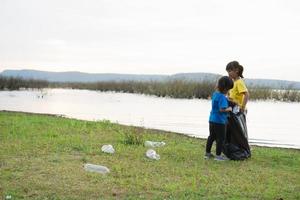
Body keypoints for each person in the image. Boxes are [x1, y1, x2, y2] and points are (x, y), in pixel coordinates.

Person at [205, 76, 233, 161]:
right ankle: (218, 156)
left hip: (212, 119)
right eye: (229, 89)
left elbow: (217, 105)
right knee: (220, 138)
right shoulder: (222, 98)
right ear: (226, 89)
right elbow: (221, 109)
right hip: (220, 121)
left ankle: (207, 153)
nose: (229, 91)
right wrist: (229, 109)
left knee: (211, 136)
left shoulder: (215, 94)